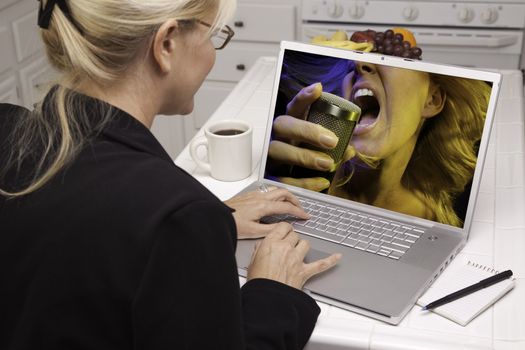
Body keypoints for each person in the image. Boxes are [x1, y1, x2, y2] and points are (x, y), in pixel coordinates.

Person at [0, 1, 342, 349]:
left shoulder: (8, 129)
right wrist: (274, 291)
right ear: (166, 44)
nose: (213, 54)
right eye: (214, 36)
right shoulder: (178, 216)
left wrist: (192, 226)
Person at [267, 51, 491, 227]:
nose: (358, 64)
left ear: (432, 100)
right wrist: (268, 190)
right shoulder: (305, 181)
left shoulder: (435, 223)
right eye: (350, 62)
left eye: (394, 59)